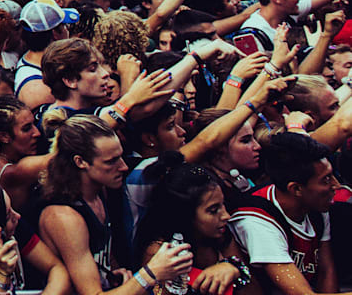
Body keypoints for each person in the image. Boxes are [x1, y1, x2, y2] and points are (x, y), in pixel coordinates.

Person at [35, 116, 192, 295]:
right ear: (80, 162)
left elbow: (101, 259)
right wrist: (150, 273)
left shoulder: (100, 191)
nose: (124, 167)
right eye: (111, 161)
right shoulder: (64, 217)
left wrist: (114, 274)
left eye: (120, 157)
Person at [229, 131, 338, 295]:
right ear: (296, 189)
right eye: (326, 179)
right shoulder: (256, 221)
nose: (335, 186)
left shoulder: (317, 203)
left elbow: (326, 270)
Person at [133, 160, 255, 295]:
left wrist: (234, 269)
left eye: (223, 204)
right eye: (213, 210)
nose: (226, 216)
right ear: (185, 216)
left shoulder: (220, 235)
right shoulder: (160, 254)